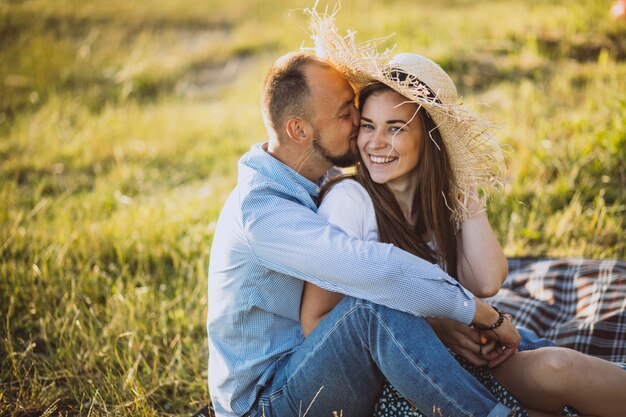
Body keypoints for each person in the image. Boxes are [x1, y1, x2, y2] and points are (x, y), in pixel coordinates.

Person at [299, 50, 626, 417]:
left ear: (430, 138)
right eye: (369, 126)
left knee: (563, 368)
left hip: (464, 354)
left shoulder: (437, 199)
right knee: (554, 389)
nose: (375, 143)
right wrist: (435, 328)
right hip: (408, 375)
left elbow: (486, 280)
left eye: (395, 128)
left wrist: (462, 186)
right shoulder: (351, 201)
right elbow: (317, 321)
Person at [207, 50, 525, 417]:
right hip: (265, 401)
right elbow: (377, 270)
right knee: (372, 307)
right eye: (346, 113)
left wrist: (441, 320)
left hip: (314, 364)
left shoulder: (312, 177)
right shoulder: (262, 214)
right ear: (299, 130)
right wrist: (478, 313)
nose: (358, 124)